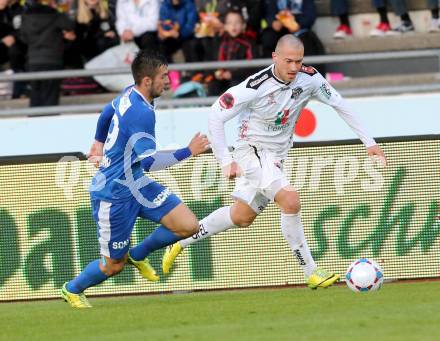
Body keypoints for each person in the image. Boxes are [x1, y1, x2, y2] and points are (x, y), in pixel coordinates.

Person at [162, 34, 388, 289]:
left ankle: (180, 241)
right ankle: (311, 272)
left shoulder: (310, 78)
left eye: (298, 61)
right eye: (289, 61)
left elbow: (340, 104)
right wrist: (225, 160)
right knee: (290, 200)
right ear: (275, 57)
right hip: (252, 151)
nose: (294, 67)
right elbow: (215, 114)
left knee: (241, 217)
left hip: (276, 157)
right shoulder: (255, 85)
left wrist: (369, 142)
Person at [61, 50, 210, 308]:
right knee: (112, 267)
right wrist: (189, 151)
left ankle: (138, 254)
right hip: (113, 193)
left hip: (136, 182)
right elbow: (150, 162)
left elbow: (108, 111)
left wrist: (97, 142)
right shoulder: (142, 112)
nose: (169, 81)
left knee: (188, 225)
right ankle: (72, 289)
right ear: (147, 80)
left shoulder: (131, 92)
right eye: (164, 76)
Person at [20, 0, 76, 106]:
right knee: (51, 95)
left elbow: (23, 38)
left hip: (33, 60)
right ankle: (50, 120)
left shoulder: (26, 16)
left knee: (35, 95)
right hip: (52, 59)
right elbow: (70, 25)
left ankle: (34, 120)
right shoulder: (54, 14)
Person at [207, 9, 257, 96]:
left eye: (237, 22)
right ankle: (210, 109)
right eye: (229, 23)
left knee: (235, 85)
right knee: (213, 85)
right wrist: (218, 72)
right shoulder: (220, 42)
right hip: (223, 77)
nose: (233, 25)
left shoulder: (248, 43)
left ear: (243, 26)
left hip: (240, 78)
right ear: (225, 26)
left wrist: (232, 74)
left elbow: (252, 66)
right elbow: (213, 61)